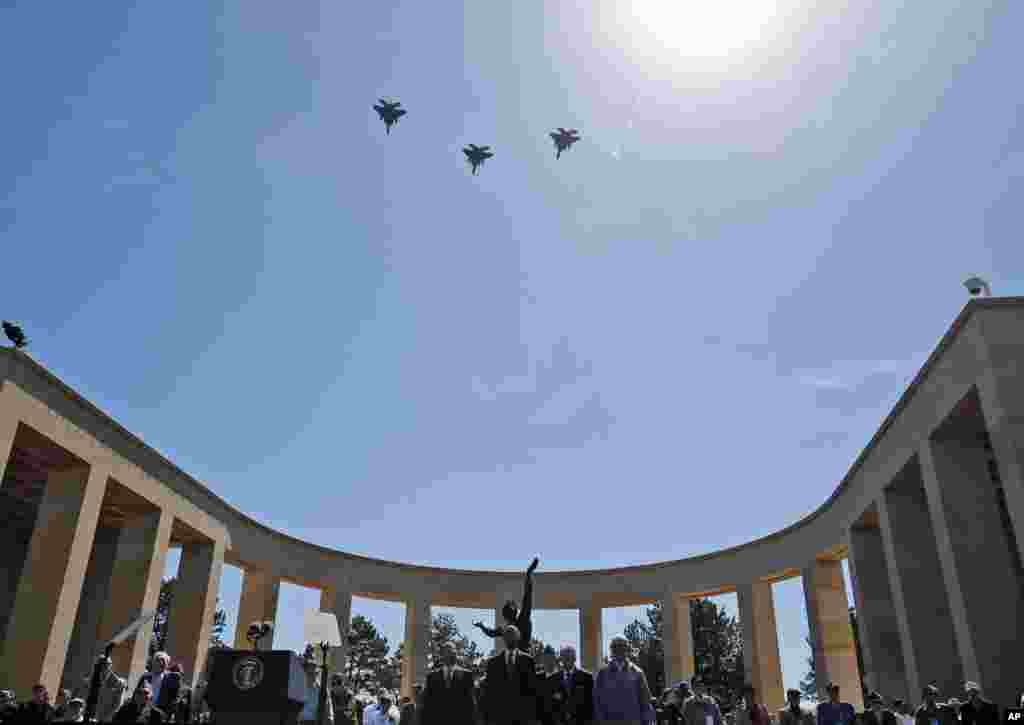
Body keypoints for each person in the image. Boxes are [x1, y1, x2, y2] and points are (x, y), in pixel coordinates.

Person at [473, 558, 539, 653]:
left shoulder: (518, 621)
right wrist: (528, 574)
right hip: (520, 655)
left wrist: (482, 626)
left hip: (522, 654)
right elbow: (527, 596)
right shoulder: (519, 619)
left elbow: (491, 633)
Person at [593, 636, 655, 725]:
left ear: (627, 649)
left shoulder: (637, 672)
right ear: (612, 650)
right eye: (616, 647)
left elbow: (645, 702)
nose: (619, 650)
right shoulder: (602, 673)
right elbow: (597, 701)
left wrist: (647, 720)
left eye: (622, 647)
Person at [482, 625, 537, 725]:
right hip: (499, 717)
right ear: (503, 637)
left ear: (518, 637)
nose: (510, 637)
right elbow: (489, 691)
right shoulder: (493, 663)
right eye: (507, 634)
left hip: (522, 717)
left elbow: (532, 690)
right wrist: (487, 718)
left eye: (513, 634)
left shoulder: (528, 661)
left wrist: (532, 717)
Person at [421, 642, 474, 725]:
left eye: (453, 652)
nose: (450, 654)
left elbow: (470, 705)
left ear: (456, 654)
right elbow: (427, 705)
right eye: (447, 652)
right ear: (442, 654)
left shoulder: (467, 675)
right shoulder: (432, 677)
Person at [78, 653, 128, 723]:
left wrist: (103, 720)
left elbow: (116, 706)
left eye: (105, 667)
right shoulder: (88, 682)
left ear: (109, 668)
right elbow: (80, 702)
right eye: (99, 666)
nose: (102, 669)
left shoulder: (118, 684)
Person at [557, 645, 594, 725]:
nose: (567, 659)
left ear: (575, 658)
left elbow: (591, 705)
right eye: (565, 656)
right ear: (561, 659)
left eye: (570, 656)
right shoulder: (552, 679)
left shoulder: (587, 678)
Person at [300, 645, 334, 725]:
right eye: (309, 673)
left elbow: (328, 711)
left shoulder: (322, 690)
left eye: (314, 673)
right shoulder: (296, 688)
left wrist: (329, 719)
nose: (312, 676)